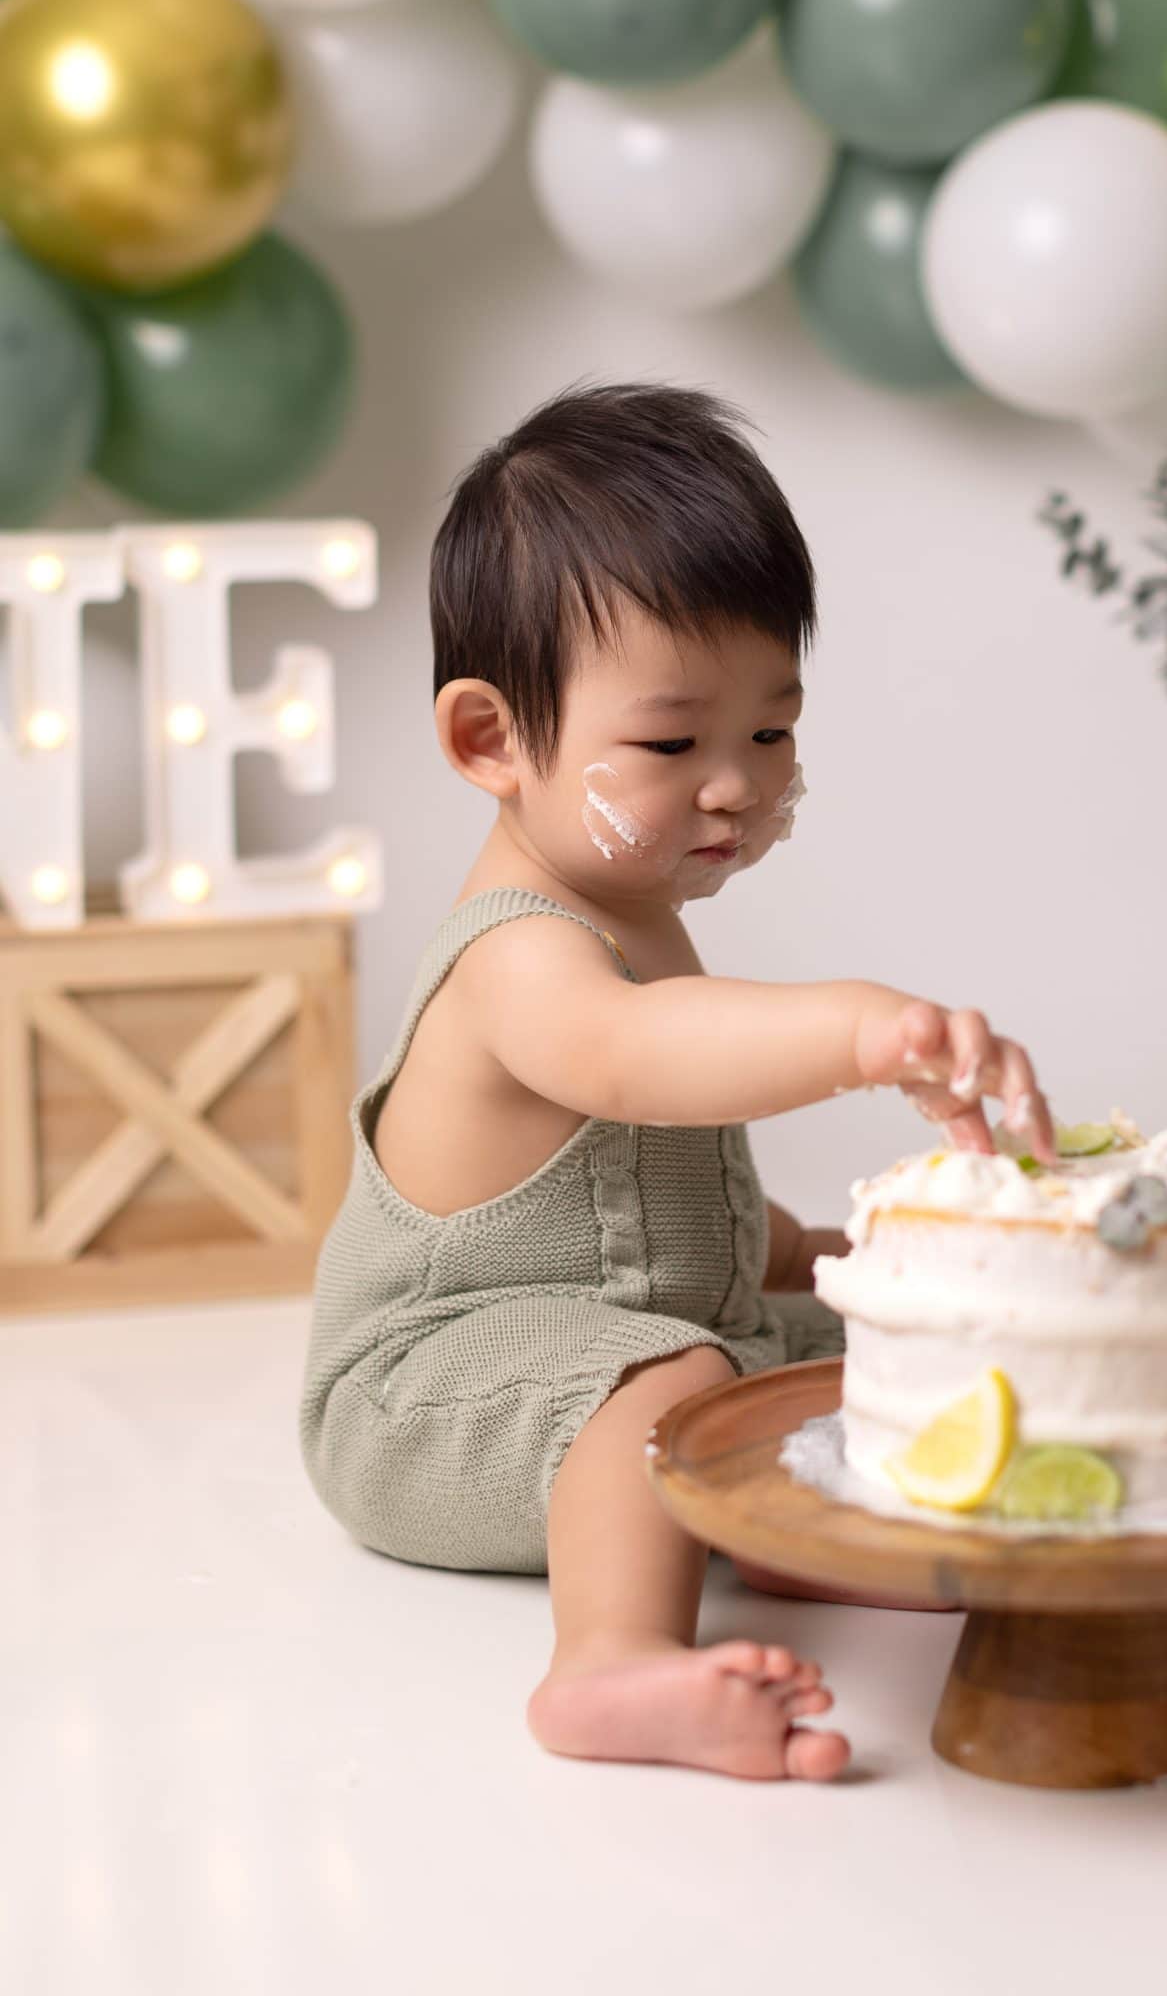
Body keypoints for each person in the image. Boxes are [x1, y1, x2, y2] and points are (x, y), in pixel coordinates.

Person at [299, 382, 1055, 1782]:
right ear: (490, 743)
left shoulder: (637, 908)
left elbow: (657, 1200)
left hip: (621, 1338)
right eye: (668, 744)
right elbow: (638, 1065)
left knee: (841, 1358)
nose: (734, 787)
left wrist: (822, 1258)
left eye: (768, 733)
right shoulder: (521, 955)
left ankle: (835, 1545)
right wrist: (863, 1030)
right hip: (427, 1403)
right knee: (666, 1378)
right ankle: (608, 1665)